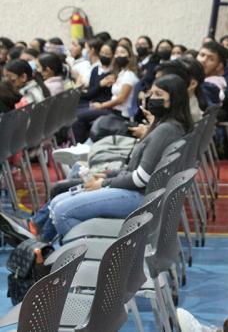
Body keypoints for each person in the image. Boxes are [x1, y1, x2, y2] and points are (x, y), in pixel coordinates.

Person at [33, 74, 193, 239]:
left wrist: (104, 183)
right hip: (141, 193)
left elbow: (141, 178)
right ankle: (43, 245)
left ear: (174, 100)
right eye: (151, 93)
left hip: (141, 198)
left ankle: (93, 255)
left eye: (159, 94)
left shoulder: (166, 130)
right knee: (57, 201)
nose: (151, 98)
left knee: (62, 211)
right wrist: (109, 174)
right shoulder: (166, 126)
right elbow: (137, 170)